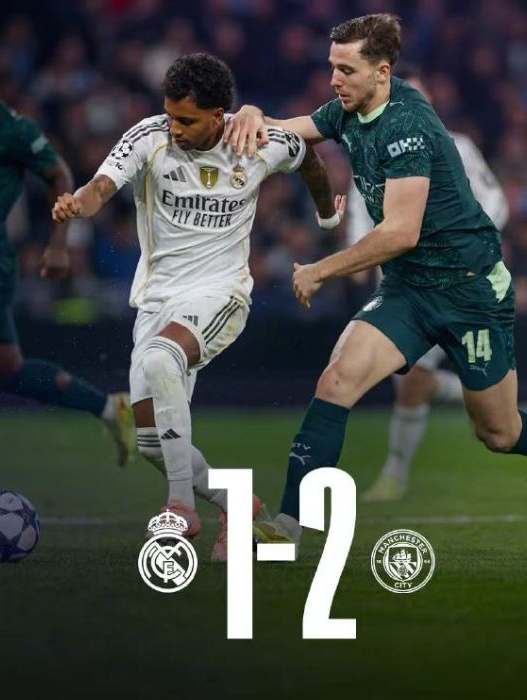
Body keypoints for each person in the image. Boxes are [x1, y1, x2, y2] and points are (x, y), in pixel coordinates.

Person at [224, 13, 527, 550]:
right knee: (336, 382)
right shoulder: (352, 107)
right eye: (332, 67)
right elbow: (292, 128)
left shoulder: (407, 126)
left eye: (346, 70)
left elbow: (400, 232)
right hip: (409, 291)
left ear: (382, 72)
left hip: (470, 292)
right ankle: (287, 526)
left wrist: (322, 270)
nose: (334, 79)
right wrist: (253, 113)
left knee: (499, 432)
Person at [52, 52, 342, 561]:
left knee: (162, 358)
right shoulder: (149, 137)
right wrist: (79, 203)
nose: (175, 128)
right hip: (156, 299)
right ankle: (236, 503)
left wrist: (326, 217)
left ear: (218, 115)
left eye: (186, 120)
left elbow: (309, 159)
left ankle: (180, 507)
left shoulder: (256, 143)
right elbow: (102, 185)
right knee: (151, 443)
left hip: (220, 293)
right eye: (170, 115)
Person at [347, 64, 510, 501]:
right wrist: (356, 256)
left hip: (456, 282)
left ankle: (395, 475)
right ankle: (398, 472)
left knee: (416, 383)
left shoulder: (458, 146)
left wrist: (469, 244)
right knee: (409, 381)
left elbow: (495, 200)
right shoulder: (371, 152)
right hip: (402, 284)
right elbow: (361, 211)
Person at [0, 32, 134, 466]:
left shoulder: (12, 130)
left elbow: (59, 176)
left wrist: (58, 244)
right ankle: (109, 408)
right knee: (6, 368)